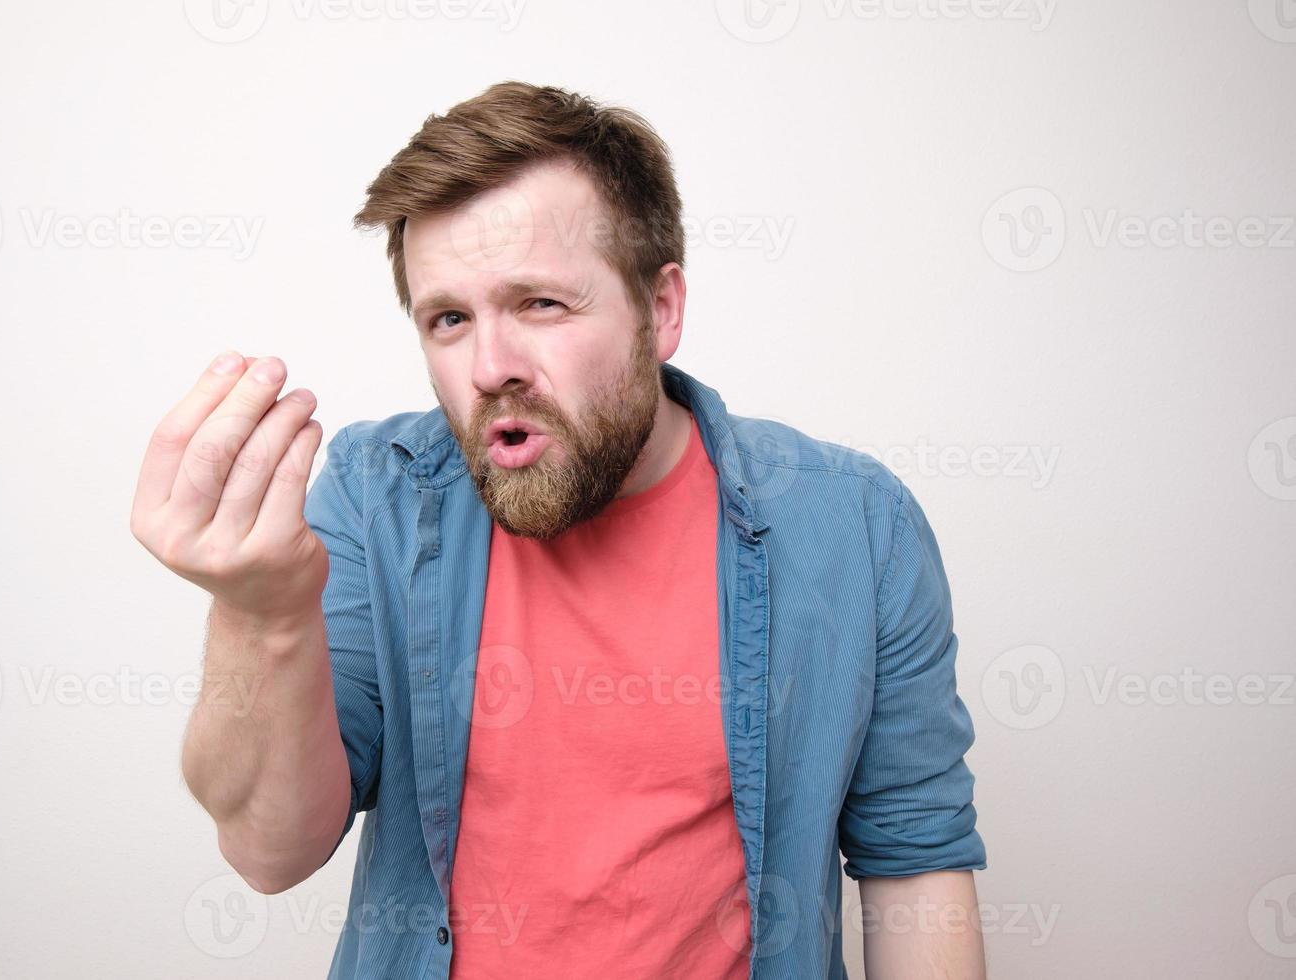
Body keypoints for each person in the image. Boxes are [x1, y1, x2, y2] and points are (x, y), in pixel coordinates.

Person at [131, 80, 988, 980]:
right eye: (450, 319)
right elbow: (272, 852)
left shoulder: (853, 524)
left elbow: (916, 862)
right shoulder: (375, 496)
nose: (491, 367)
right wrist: (260, 616)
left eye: (541, 303)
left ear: (661, 311)